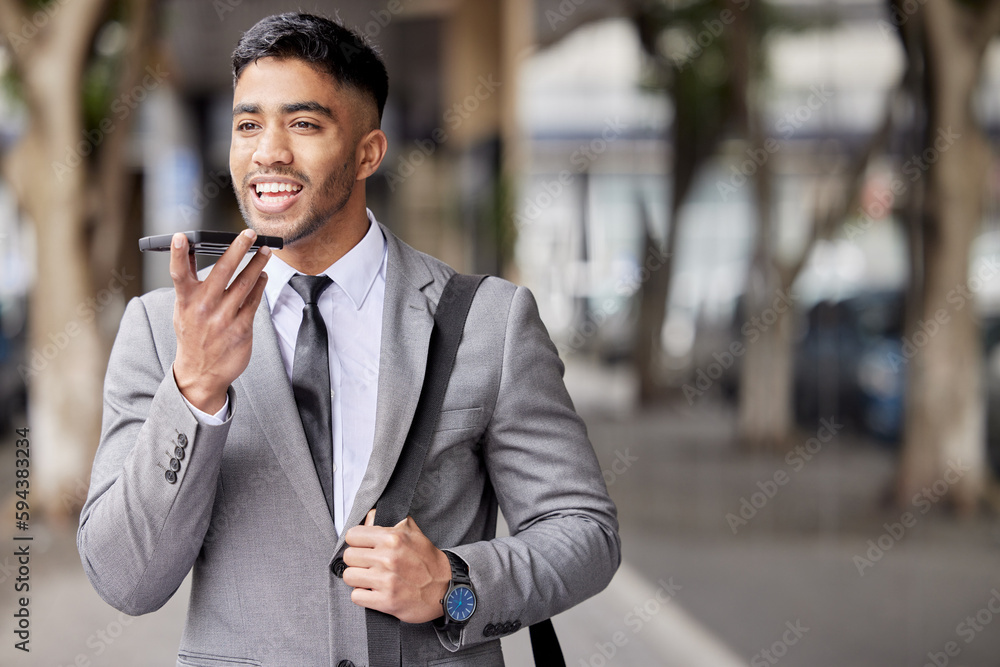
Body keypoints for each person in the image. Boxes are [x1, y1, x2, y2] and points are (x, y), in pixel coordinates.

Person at [77, 12, 619, 667]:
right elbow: (123, 579)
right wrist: (193, 389)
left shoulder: (491, 322)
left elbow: (584, 531)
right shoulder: (161, 331)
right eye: (248, 124)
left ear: (368, 152)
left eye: (304, 124)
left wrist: (456, 583)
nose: (269, 151)